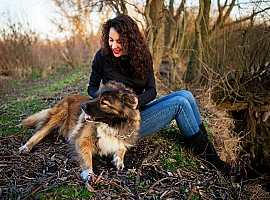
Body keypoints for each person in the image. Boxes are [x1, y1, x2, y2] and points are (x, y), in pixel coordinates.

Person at [87, 13, 237, 176]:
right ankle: (216, 163)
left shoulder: (143, 56)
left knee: (186, 95)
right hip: (123, 123)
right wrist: (106, 97)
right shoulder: (102, 57)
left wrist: (138, 100)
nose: (113, 45)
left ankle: (203, 146)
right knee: (180, 104)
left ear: (130, 40)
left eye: (119, 41)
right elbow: (92, 88)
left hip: (140, 110)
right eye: (110, 40)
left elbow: (152, 91)